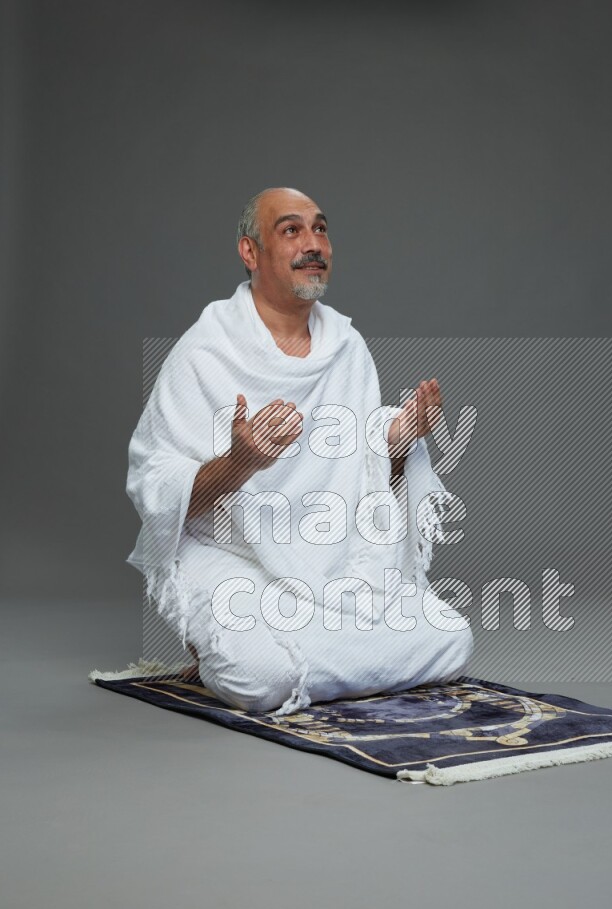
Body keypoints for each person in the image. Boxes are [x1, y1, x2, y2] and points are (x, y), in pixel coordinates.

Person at [126, 187, 473, 716]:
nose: (313, 244)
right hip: (231, 557)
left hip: (329, 560)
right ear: (250, 252)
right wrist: (239, 463)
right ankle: (276, 652)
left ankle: (293, 651)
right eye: (291, 231)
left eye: (320, 228)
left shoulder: (346, 346)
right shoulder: (204, 351)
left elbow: (360, 469)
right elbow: (156, 487)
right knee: (264, 679)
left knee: (452, 636)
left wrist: (399, 441)